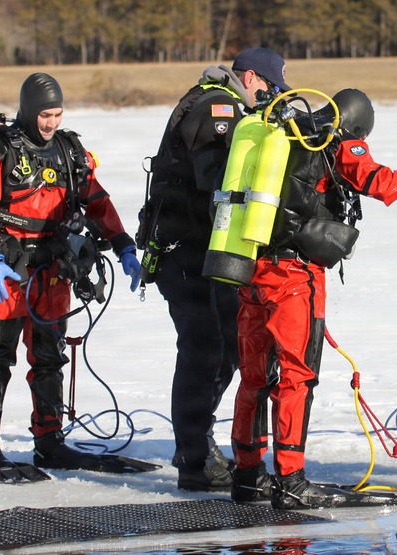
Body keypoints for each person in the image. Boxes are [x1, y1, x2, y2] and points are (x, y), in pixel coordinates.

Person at [227, 88, 397, 509]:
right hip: (294, 276)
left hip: (251, 267)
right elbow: (380, 184)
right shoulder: (337, 141)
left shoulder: (286, 135)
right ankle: (291, 481)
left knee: (254, 376)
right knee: (297, 377)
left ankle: (247, 475)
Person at [0, 72, 144, 483]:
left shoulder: (68, 150)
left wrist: (123, 243)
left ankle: (49, 440)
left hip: (52, 272)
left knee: (49, 359)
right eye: (45, 114)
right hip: (6, 271)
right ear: (28, 110)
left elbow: (95, 200)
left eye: (57, 114)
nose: (51, 123)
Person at [141, 47, 289, 492]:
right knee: (204, 349)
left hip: (203, 248)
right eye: (269, 88)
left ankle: (198, 444)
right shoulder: (216, 107)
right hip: (185, 249)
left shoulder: (223, 105)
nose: (272, 97)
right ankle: (194, 459)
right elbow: (218, 182)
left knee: (224, 346)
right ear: (249, 79)